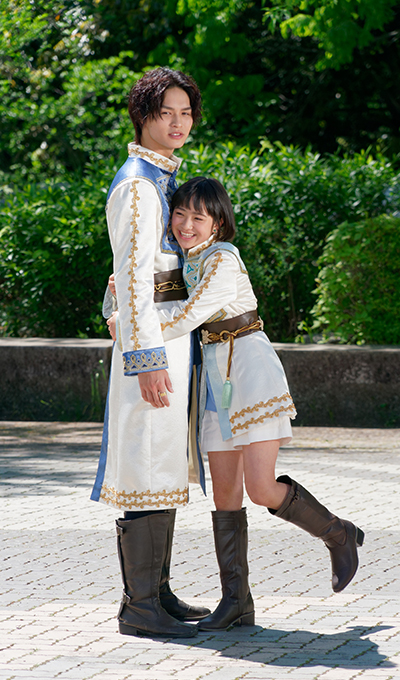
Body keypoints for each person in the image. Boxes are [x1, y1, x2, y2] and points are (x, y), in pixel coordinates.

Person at [153, 176, 365, 631]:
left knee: (261, 488)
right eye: (180, 214)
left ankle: (338, 533)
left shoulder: (223, 258)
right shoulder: (183, 262)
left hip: (249, 370)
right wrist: (122, 299)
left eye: (198, 217)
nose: (186, 224)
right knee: (225, 495)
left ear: (218, 222)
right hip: (215, 382)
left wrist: (139, 330)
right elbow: (155, 301)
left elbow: (190, 314)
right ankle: (236, 602)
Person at [90, 69, 210, 639]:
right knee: (145, 465)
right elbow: (134, 278)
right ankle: (139, 608)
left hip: (165, 344)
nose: (179, 123)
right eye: (168, 113)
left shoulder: (160, 179)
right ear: (144, 116)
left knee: (161, 465)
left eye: (186, 113)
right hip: (152, 352)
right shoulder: (139, 185)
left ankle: (156, 594)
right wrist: (146, 358)